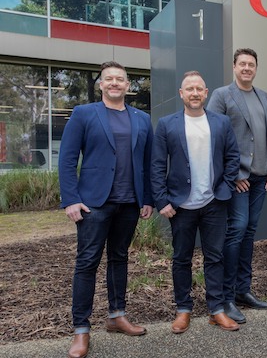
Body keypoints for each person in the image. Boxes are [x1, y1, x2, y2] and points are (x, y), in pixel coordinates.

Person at [59, 61, 153, 358]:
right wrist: (70, 199)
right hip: (93, 203)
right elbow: (67, 158)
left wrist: (147, 198)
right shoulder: (84, 113)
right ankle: (81, 329)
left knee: (119, 258)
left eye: (120, 79)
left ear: (128, 85)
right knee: (87, 263)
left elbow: (147, 162)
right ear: (101, 84)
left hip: (129, 203)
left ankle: (116, 316)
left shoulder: (142, 119)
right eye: (109, 79)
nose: (114, 83)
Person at [151, 71, 241, 332]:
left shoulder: (221, 122)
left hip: (214, 202)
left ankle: (216, 310)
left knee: (215, 257)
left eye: (199, 89)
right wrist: (161, 200)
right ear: (181, 94)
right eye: (189, 89)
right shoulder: (166, 124)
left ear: (206, 93)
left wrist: (224, 188)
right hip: (180, 206)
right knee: (182, 258)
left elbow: (232, 158)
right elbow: (157, 165)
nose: (194, 93)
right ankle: (183, 309)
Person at [206, 48, 267, 323]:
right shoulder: (222, 95)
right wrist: (233, 174)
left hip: (260, 177)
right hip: (239, 179)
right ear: (234, 67)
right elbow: (214, 134)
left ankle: (242, 290)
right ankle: (226, 297)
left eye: (251, 64)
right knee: (236, 230)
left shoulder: (264, 96)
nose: (247, 68)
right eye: (242, 64)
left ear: (256, 68)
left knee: (249, 233)